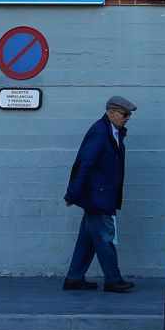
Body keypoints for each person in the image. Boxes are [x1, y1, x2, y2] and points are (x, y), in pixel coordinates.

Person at [63, 95, 136, 293]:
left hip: (101, 195)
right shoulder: (100, 132)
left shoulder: (114, 132)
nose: (128, 117)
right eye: (125, 114)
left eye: (129, 115)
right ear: (111, 113)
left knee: (87, 240)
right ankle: (113, 279)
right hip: (98, 197)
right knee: (105, 238)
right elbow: (84, 164)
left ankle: (74, 277)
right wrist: (72, 194)